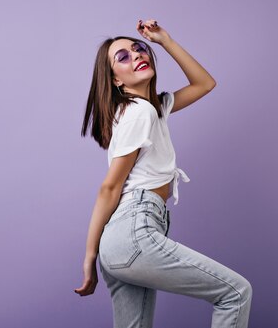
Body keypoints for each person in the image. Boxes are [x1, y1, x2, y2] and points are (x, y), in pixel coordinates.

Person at [75, 19, 253, 327]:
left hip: (119, 242)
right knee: (235, 293)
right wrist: (88, 258)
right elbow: (109, 188)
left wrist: (164, 40)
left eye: (139, 48)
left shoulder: (152, 107)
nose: (137, 55)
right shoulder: (140, 112)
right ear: (115, 80)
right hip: (133, 231)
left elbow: (204, 84)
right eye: (123, 57)